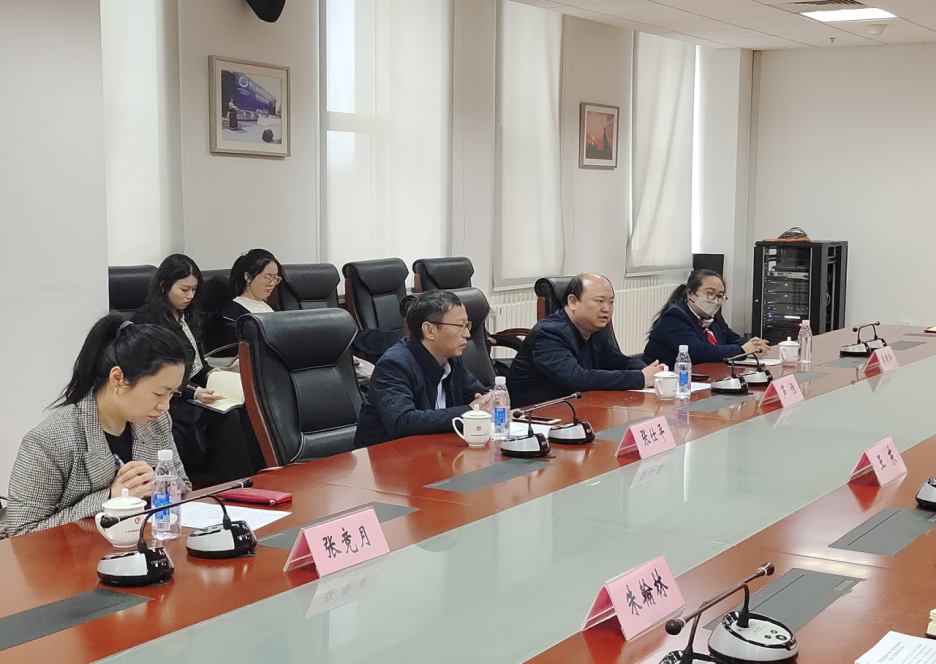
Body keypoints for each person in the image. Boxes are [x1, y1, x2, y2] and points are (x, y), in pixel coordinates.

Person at [1, 314, 191, 538]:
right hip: (75, 555)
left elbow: (183, 487)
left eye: (172, 393)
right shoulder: (50, 440)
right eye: (159, 393)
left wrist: (160, 484)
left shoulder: (156, 423)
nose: (165, 406)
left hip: (146, 543)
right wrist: (110, 498)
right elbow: (22, 532)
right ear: (118, 378)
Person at [354, 290, 491, 447]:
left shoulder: (451, 359)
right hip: (389, 455)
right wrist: (468, 412)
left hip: (435, 449)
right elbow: (402, 421)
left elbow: (478, 395)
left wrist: (492, 399)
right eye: (460, 326)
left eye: (467, 325)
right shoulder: (394, 365)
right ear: (429, 330)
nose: (467, 334)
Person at [507, 274, 662, 408]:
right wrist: (641, 378)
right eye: (599, 301)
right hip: (535, 415)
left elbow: (618, 361)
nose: (607, 309)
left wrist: (651, 372)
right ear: (573, 302)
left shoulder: (595, 329)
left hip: (577, 407)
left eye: (611, 302)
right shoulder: (548, 333)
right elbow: (577, 379)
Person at [133, 255, 224, 472]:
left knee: (235, 412)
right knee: (216, 421)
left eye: (194, 290)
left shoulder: (187, 317)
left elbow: (198, 364)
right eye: (184, 289)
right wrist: (194, 393)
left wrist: (216, 375)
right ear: (164, 286)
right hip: (169, 397)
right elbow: (153, 375)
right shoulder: (146, 321)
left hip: (192, 390)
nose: (190, 296)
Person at [643, 269, 770, 369]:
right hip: (668, 378)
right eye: (709, 293)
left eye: (719, 295)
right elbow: (698, 352)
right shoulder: (674, 317)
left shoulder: (713, 317)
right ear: (690, 293)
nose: (714, 300)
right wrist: (742, 350)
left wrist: (753, 345)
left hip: (704, 375)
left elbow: (731, 338)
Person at [213, 249, 283, 350]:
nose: (272, 284)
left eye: (275, 278)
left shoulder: (273, 309)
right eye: (267, 278)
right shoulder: (230, 315)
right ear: (248, 277)